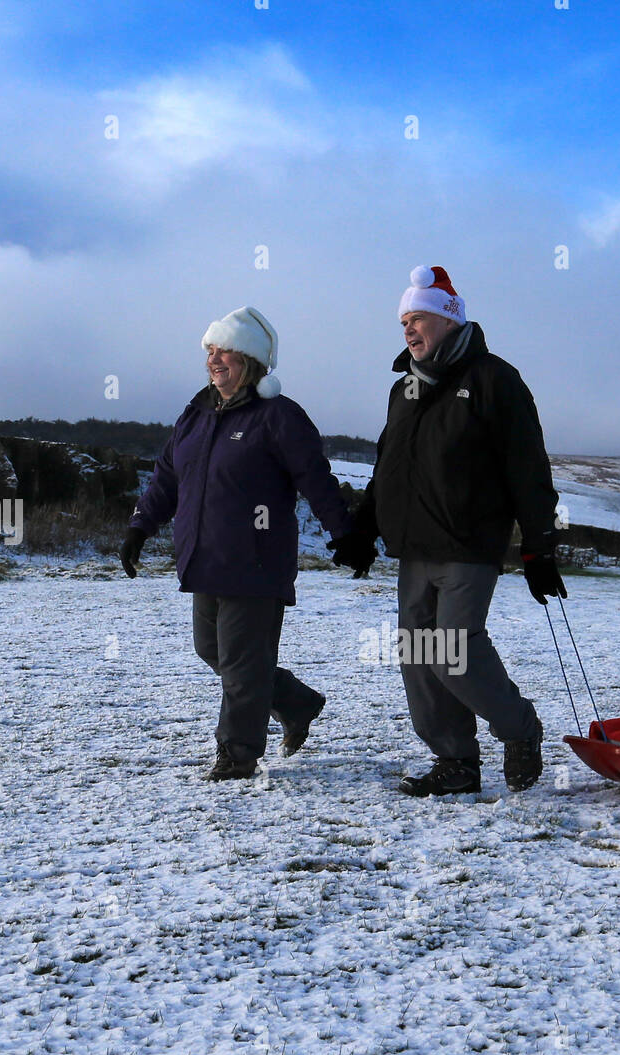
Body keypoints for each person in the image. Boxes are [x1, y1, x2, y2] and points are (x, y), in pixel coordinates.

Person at [330, 265, 565, 797]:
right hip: (413, 548)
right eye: (403, 322)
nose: (409, 330)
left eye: (418, 319)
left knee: (452, 651)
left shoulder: (493, 379)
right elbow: (388, 466)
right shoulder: (405, 389)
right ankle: (456, 761)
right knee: (418, 655)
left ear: (448, 319)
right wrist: (364, 530)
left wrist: (539, 547)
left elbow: (527, 469)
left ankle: (520, 727)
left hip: (467, 542)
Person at [119, 305, 371, 780]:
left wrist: (344, 533)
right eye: (210, 351)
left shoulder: (277, 416)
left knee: (239, 663)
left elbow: (315, 478)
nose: (214, 360)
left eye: (226, 352)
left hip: (255, 561)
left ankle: (237, 755)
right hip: (204, 557)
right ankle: (295, 703)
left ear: (250, 361)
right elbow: (166, 478)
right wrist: (140, 526)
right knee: (212, 650)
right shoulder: (196, 414)